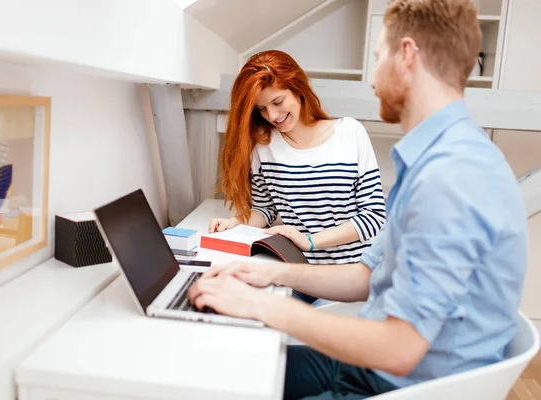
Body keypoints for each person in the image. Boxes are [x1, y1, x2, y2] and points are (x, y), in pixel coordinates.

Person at [188, 0, 528, 399]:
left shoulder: (450, 178)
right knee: (227, 367)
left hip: (396, 384)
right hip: (369, 366)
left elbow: (400, 349)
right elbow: (367, 277)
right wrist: (270, 275)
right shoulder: (434, 162)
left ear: (406, 55)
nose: (371, 77)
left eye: (378, 56)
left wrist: (264, 307)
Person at [210, 50, 386, 303]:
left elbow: (374, 216)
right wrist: (237, 223)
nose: (272, 116)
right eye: (261, 109)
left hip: (353, 276)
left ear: (298, 89)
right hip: (299, 273)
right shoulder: (263, 147)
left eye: (278, 102)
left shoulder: (350, 133)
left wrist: (311, 242)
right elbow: (265, 209)